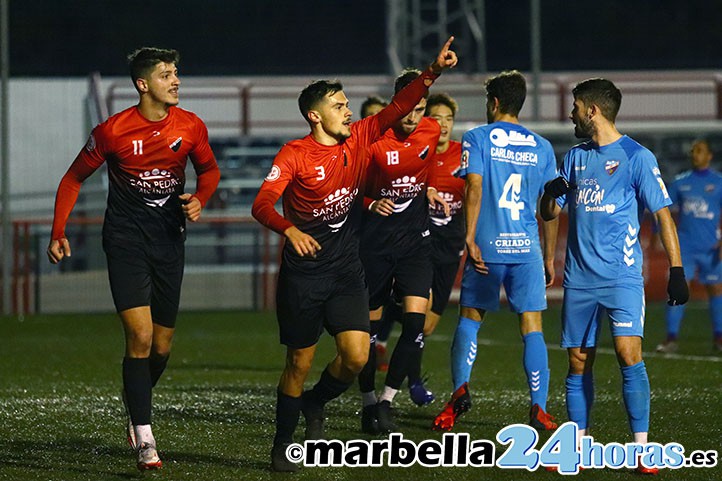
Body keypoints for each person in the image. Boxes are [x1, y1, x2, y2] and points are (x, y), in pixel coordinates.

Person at [251, 38, 457, 472]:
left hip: (345, 269)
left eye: (347, 105)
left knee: (357, 356)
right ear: (315, 115)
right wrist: (288, 229)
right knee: (298, 361)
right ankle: (283, 441)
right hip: (304, 276)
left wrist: (431, 72)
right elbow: (262, 203)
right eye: (339, 105)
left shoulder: (361, 135)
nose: (349, 111)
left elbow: (398, 107)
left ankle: (314, 403)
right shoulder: (295, 154)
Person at [47, 47, 220, 471]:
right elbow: (72, 179)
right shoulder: (112, 131)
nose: (175, 80)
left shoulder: (191, 126)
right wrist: (58, 231)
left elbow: (210, 171)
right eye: (166, 74)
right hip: (125, 241)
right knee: (140, 338)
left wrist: (200, 198)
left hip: (168, 242)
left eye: (176, 72)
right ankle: (145, 438)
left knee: (160, 347)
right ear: (143, 84)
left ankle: (134, 398)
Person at [539, 78, 689, 475]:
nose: (570, 113)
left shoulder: (637, 157)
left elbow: (662, 216)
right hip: (580, 280)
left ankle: (641, 450)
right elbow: (550, 212)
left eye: (575, 107)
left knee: (628, 355)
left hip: (622, 277)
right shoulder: (573, 157)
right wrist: (548, 195)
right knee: (577, 361)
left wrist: (676, 270)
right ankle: (578, 447)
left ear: (593, 111)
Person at [432, 70, 559, 433]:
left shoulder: (477, 137)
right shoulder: (542, 146)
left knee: (470, 319)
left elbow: (473, 185)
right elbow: (550, 207)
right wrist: (548, 257)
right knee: (531, 326)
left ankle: (458, 394)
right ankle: (539, 408)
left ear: (495, 103)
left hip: (487, 247)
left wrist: (469, 237)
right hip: (527, 250)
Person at [356, 68, 450, 434]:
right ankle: (367, 401)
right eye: (408, 109)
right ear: (396, 106)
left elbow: (422, 172)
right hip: (375, 248)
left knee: (416, 325)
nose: (414, 118)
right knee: (366, 332)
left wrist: (427, 190)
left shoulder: (429, 130)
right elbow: (350, 189)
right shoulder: (372, 140)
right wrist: (369, 203)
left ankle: (387, 401)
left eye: (420, 109)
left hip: (415, 243)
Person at [656, 139, 722, 353]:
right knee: (678, 290)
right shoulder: (680, 182)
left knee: (716, 290)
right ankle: (671, 339)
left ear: (709, 156)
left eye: (700, 151)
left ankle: (719, 339)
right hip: (685, 248)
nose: (695, 154)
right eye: (693, 151)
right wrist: (658, 233)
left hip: (711, 248)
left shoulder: (718, 182)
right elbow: (662, 208)